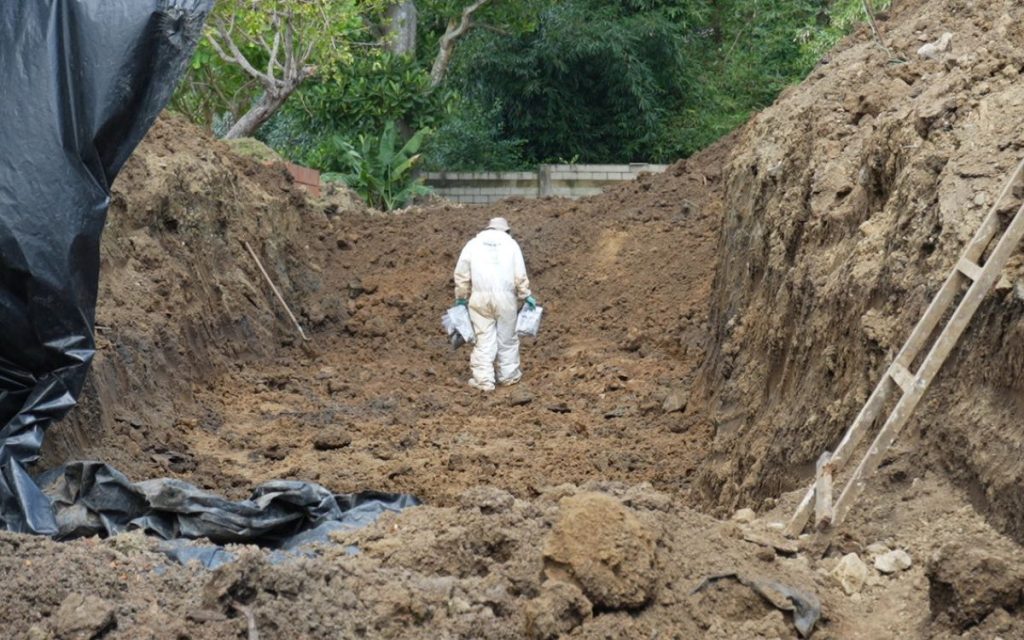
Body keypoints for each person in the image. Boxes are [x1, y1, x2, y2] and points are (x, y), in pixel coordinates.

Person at [453, 217, 537, 391]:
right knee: (507, 338)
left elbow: (461, 273)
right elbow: (519, 274)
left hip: (479, 297)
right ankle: (509, 376)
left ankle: (484, 380)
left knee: (484, 338)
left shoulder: (473, 244)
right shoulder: (511, 244)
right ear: (506, 230)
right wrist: (525, 294)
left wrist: (461, 297)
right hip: (506, 299)